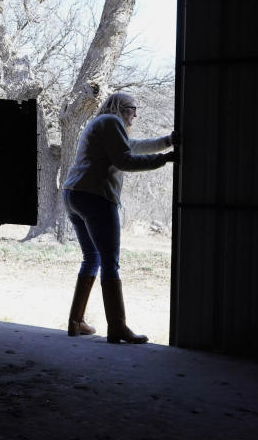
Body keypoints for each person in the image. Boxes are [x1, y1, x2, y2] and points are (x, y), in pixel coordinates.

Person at [62, 92, 177, 343]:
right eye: (133, 109)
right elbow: (125, 160)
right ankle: (117, 326)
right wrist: (164, 160)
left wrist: (167, 141)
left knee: (91, 257)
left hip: (74, 195)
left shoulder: (101, 123)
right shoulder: (112, 122)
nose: (135, 114)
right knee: (110, 262)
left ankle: (75, 321)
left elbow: (132, 146)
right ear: (122, 108)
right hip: (96, 196)